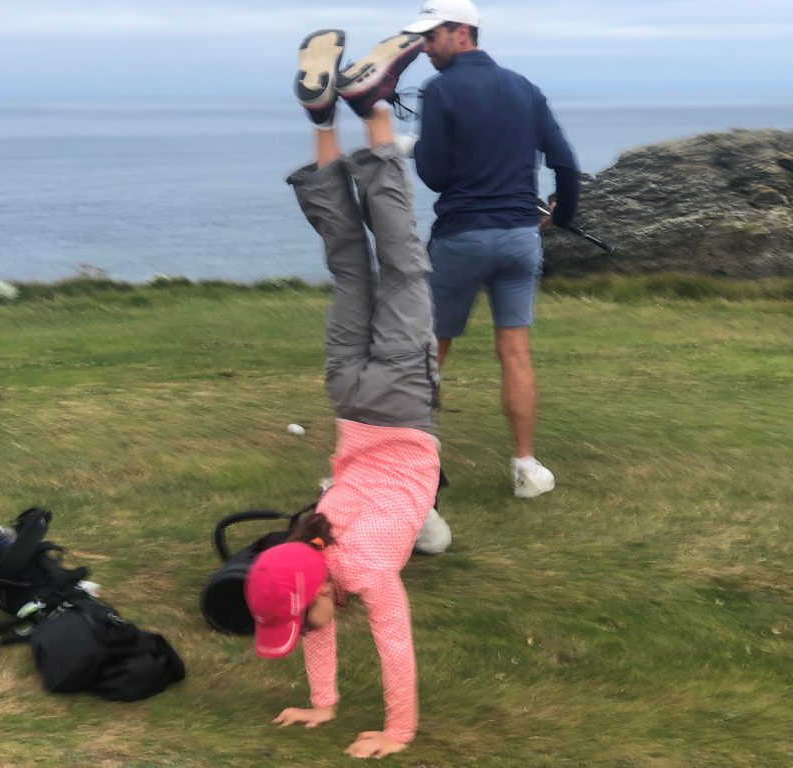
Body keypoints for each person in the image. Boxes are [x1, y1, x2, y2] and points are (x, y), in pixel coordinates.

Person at [244, 29, 441, 760]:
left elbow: (394, 640)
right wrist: (322, 704)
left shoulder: (361, 568)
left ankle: (374, 108)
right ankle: (325, 118)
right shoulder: (308, 539)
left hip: (400, 401)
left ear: (317, 588)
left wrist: (399, 731)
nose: (304, 632)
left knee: (402, 263)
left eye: (300, 620)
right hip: (349, 397)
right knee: (352, 267)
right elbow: (319, 620)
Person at [402, 0, 580, 498]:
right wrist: (562, 216)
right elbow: (565, 163)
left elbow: (435, 175)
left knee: (430, 350)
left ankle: (410, 461)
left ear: (462, 32)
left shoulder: (440, 90)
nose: (424, 47)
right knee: (515, 352)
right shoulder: (524, 88)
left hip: (461, 237)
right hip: (520, 238)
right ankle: (525, 467)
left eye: (431, 36)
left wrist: (419, 148)